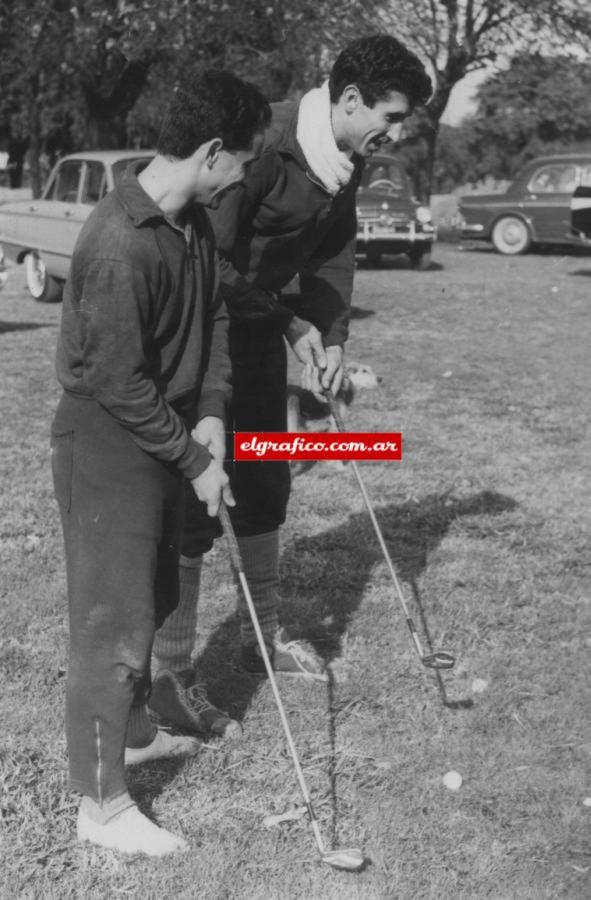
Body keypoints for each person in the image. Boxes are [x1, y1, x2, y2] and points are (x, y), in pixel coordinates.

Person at [149, 35, 432, 733]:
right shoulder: (266, 145)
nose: (395, 134)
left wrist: (330, 337)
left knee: (267, 483)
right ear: (348, 100)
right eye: (389, 118)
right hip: (202, 337)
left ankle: (263, 636)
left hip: (260, 337)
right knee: (198, 500)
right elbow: (210, 262)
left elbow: (334, 262)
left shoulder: (347, 162)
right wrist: (289, 322)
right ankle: (170, 678)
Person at [50, 68, 270, 856]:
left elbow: (211, 316)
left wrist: (211, 416)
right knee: (111, 623)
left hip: (168, 432)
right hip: (110, 442)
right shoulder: (117, 241)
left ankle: (136, 731)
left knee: (154, 594)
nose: (245, 175)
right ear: (212, 154)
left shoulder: (193, 224)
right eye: (243, 160)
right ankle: (101, 805)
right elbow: (115, 381)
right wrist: (194, 457)